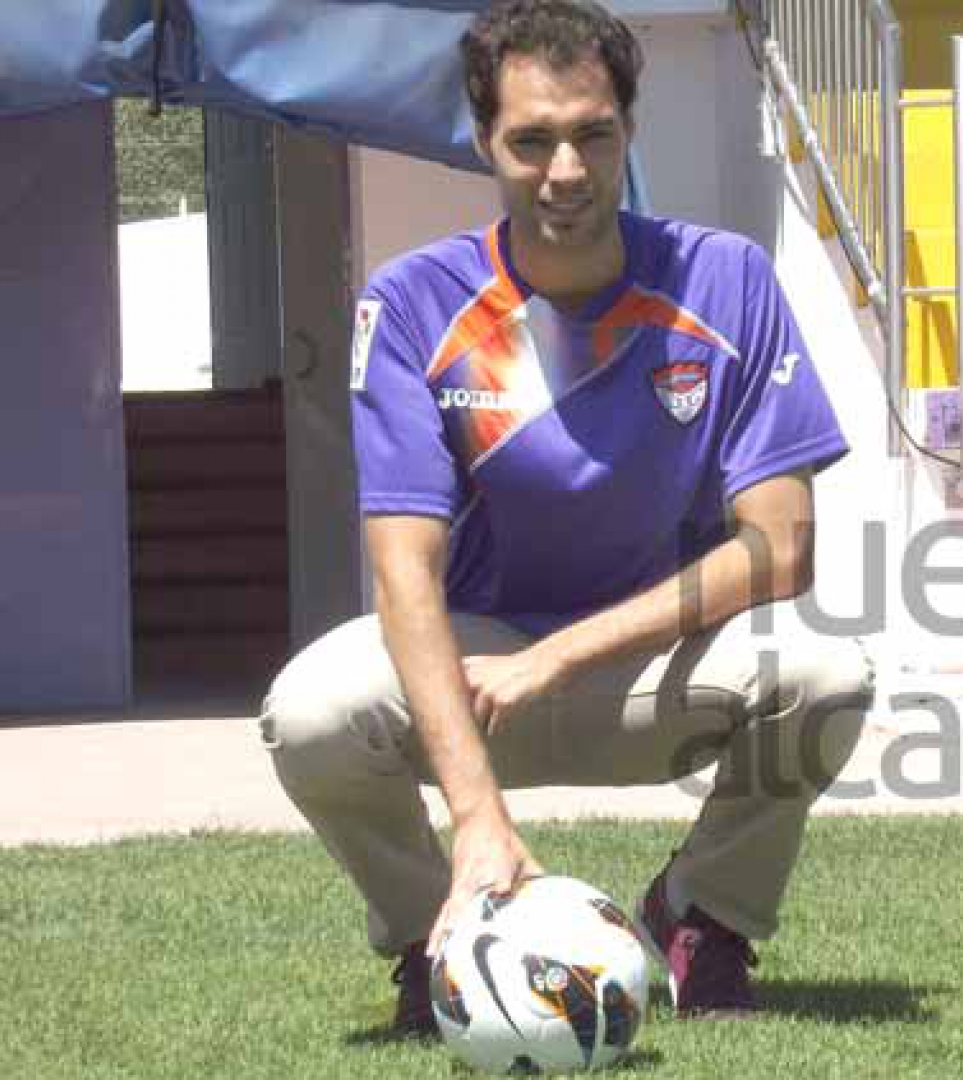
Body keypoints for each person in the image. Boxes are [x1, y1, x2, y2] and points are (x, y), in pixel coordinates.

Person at [258, 0, 873, 1035]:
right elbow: (405, 574)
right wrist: (476, 817)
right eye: (531, 141)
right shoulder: (411, 304)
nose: (567, 171)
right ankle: (435, 938)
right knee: (310, 714)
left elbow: (780, 548)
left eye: (592, 133)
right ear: (482, 141)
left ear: (628, 127)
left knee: (825, 678)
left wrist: (558, 658)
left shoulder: (725, 279)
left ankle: (702, 917)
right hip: (475, 676)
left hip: (643, 668)